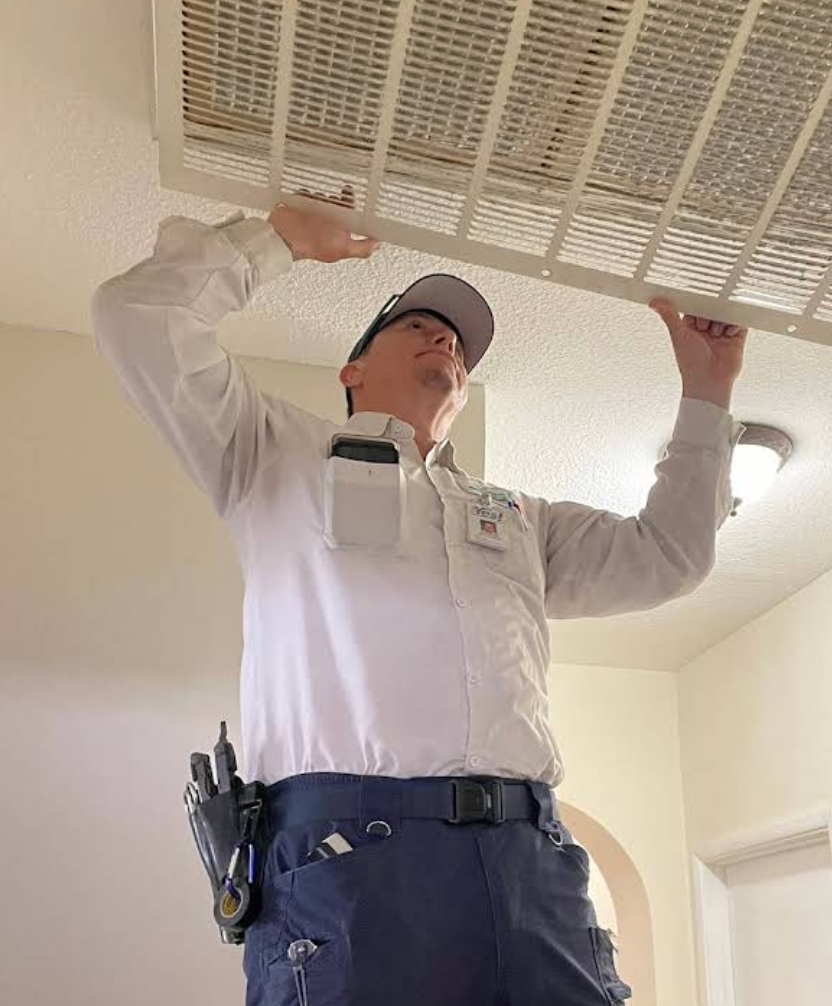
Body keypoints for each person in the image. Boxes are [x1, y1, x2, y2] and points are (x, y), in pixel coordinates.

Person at [92, 185, 748, 1006]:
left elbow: (666, 557)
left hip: (530, 864)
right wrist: (276, 239)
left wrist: (707, 393)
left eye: (458, 345)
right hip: (348, 860)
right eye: (416, 326)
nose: (445, 340)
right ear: (352, 370)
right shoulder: (271, 454)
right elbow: (137, 316)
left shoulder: (515, 517)